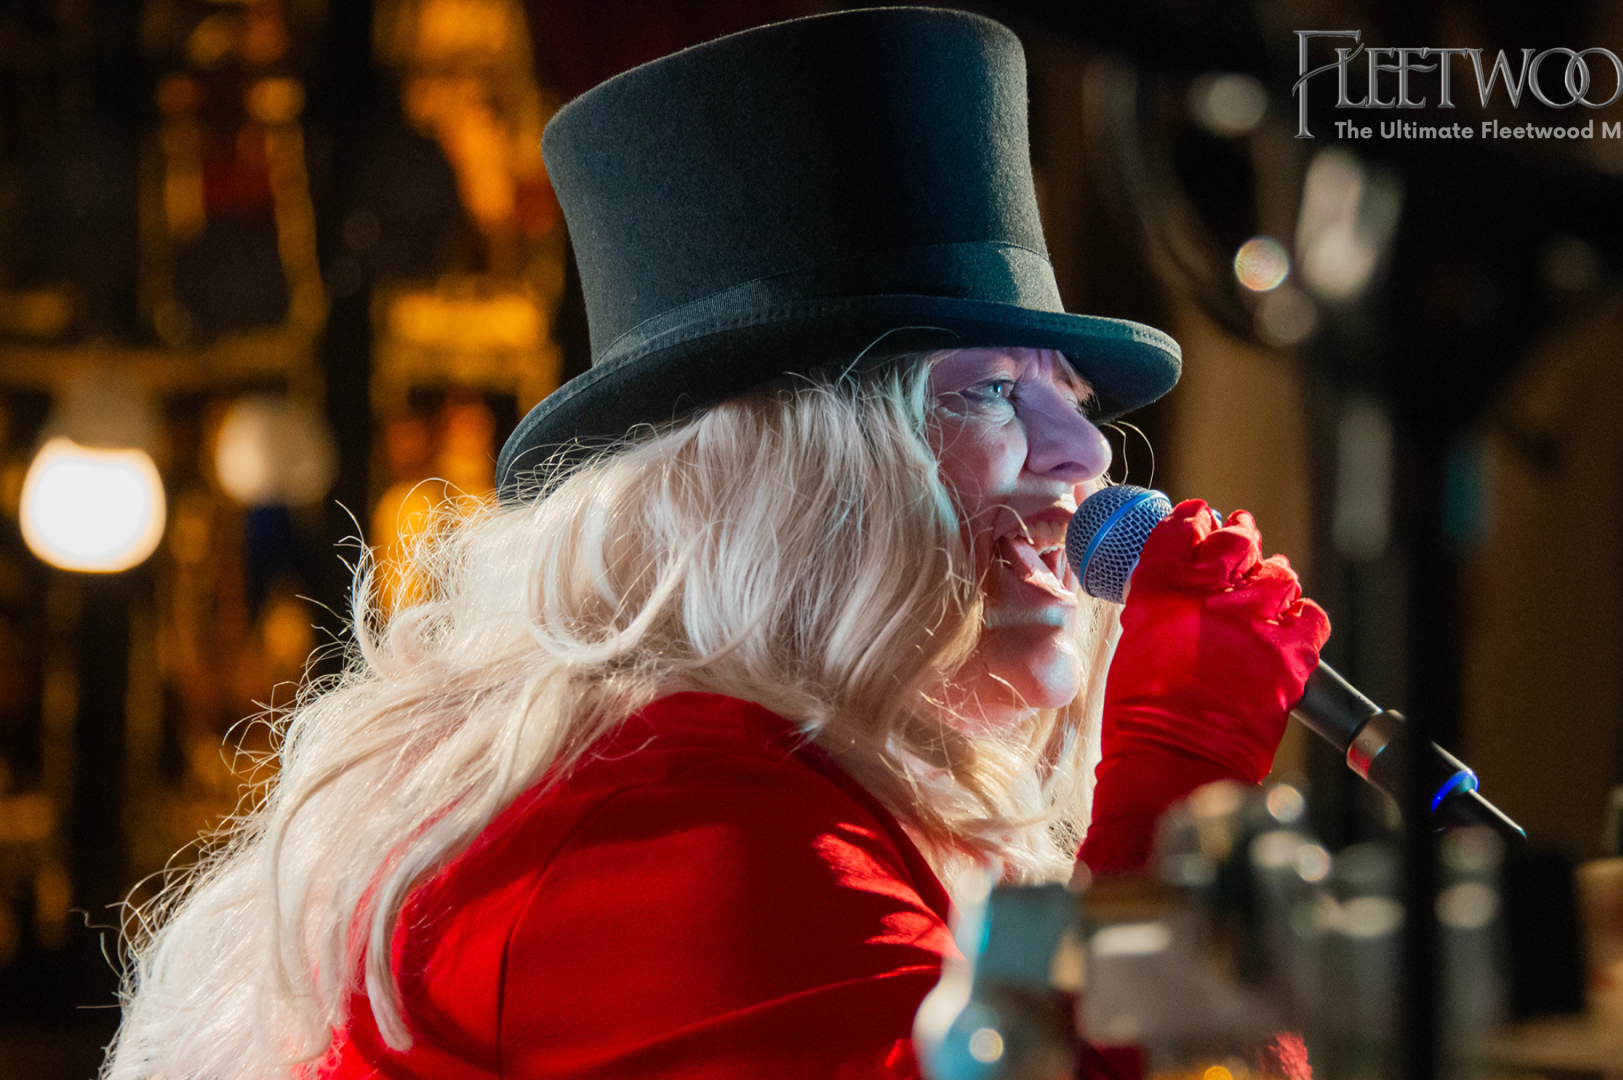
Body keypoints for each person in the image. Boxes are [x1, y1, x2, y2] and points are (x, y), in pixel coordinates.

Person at [105, 9, 1327, 1079]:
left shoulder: (788, 798)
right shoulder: (667, 828)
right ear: (782, 483)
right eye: (993, 391)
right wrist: (1183, 763)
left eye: (1072, 394)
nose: (1088, 450)